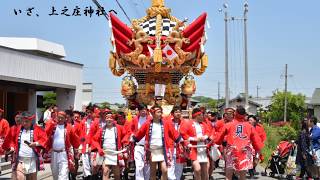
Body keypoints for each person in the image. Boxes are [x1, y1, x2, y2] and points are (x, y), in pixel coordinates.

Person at [131, 105, 182, 180]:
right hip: (152, 151)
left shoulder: (166, 123)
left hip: (163, 150)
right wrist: (133, 139)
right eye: (158, 112)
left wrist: (180, 140)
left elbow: (173, 133)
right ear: (153, 113)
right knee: (153, 172)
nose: (160, 114)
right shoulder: (147, 123)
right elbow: (140, 133)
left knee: (165, 170)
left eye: (161, 112)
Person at [214, 106, 263, 180]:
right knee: (242, 176)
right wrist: (257, 154)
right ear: (244, 115)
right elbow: (257, 143)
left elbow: (218, 139)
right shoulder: (249, 126)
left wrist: (217, 143)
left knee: (228, 175)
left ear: (235, 113)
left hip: (232, 150)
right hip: (244, 151)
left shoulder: (228, 125)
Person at [92, 111, 129, 180]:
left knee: (117, 174)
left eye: (111, 118)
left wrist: (124, 142)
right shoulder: (101, 129)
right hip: (105, 153)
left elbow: (126, 135)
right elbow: (94, 140)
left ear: (113, 119)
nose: (109, 119)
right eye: (107, 118)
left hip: (116, 153)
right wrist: (99, 149)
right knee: (105, 171)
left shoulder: (119, 128)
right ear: (105, 119)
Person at [9, 112, 47, 180]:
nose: (24, 123)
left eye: (26, 121)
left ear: (31, 120)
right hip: (20, 159)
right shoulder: (18, 129)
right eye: (23, 121)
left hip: (32, 159)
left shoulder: (37, 129)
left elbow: (44, 139)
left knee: (31, 178)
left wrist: (35, 144)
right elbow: (11, 140)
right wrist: (12, 147)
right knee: (19, 177)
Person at [45, 111, 80, 180]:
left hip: (64, 154)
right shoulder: (52, 126)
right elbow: (45, 133)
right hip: (53, 153)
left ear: (65, 119)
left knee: (63, 175)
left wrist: (77, 151)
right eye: (59, 117)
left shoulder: (69, 127)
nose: (60, 119)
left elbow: (75, 140)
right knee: (55, 174)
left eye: (62, 118)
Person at [180, 108, 211, 180]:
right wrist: (194, 139)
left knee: (205, 170)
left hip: (203, 148)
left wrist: (205, 137)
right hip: (194, 148)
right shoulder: (188, 123)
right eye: (201, 115)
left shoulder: (204, 124)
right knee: (197, 169)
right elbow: (183, 133)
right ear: (197, 115)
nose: (203, 117)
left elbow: (208, 132)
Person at [129, 104, 152, 180]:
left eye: (145, 109)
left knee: (147, 167)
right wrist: (132, 135)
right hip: (138, 146)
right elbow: (130, 130)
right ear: (138, 111)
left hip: (148, 147)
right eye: (142, 110)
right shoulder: (135, 119)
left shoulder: (150, 119)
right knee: (139, 166)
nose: (143, 111)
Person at [166, 106, 188, 180]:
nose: (178, 113)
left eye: (179, 112)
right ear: (172, 113)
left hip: (180, 148)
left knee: (179, 169)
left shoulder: (184, 122)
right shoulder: (167, 122)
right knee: (170, 168)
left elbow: (187, 134)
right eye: (176, 112)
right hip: (170, 148)